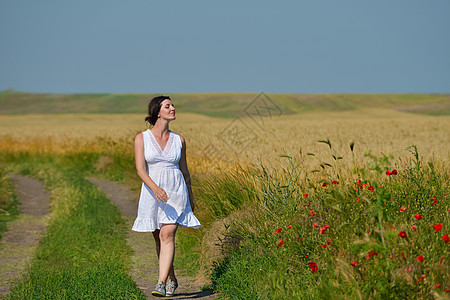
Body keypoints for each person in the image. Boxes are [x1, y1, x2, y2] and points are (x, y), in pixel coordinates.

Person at [132, 95, 201, 297]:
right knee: (158, 239)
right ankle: (171, 278)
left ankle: (160, 283)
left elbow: (185, 171)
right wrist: (155, 188)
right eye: (168, 106)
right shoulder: (141, 138)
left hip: (175, 191)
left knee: (167, 234)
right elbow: (140, 169)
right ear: (157, 112)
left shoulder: (179, 140)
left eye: (172, 105)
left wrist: (190, 197)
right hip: (152, 192)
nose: (173, 108)